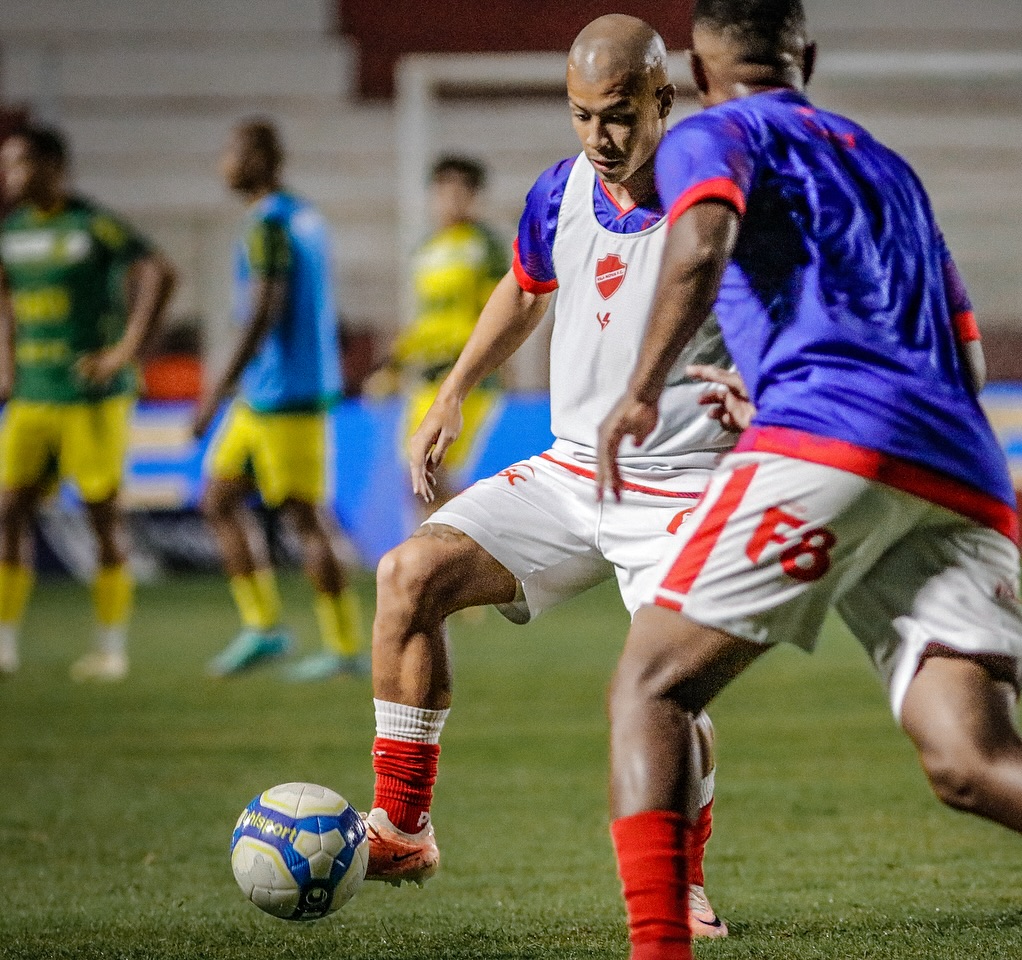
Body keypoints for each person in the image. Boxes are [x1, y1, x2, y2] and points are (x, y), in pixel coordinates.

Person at [595, 4, 1022, 960]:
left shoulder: (713, 132)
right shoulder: (888, 167)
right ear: (806, 58)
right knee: (971, 757)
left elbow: (700, 245)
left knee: (651, 688)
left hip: (832, 438)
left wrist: (642, 390)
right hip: (958, 462)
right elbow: (967, 356)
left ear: (699, 70)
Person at [360, 15, 734, 939]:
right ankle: (403, 827)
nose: (599, 139)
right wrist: (453, 391)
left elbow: (800, 309)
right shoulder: (561, 191)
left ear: (663, 98)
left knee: (663, 686)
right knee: (410, 575)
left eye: (617, 116)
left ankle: (680, 883)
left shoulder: (721, 198)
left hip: (685, 484)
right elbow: (527, 286)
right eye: (580, 116)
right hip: (573, 474)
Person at [0, 125, 176, 680]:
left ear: (52, 165)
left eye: (19, 164)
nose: (10, 176)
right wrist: (6, 360)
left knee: (103, 516)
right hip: (33, 395)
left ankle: (110, 647)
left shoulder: (91, 225)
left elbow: (159, 271)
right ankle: (4, 643)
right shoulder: (12, 231)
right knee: (9, 513)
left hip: (91, 398)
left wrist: (125, 350)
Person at [193, 118, 366, 683]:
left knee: (306, 520)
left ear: (263, 159)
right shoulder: (303, 216)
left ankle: (344, 648)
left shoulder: (268, 225)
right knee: (218, 498)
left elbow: (267, 308)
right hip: (266, 395)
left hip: (285, 395)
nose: (225, 163)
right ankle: (264, 627)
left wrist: (216, 387)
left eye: (234, 151)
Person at [367, 155, 510, 513]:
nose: (451, 199)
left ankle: (482, 545)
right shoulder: (425, 249)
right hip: (426, 379)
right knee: (418, 480)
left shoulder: (486, 247)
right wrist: (394, 366)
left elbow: (502, 312)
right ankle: (450, 559)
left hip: (466, 376)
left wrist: (493, 365)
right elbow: (423, 320)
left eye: (461, 190)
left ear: (475, 196)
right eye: (444, 190)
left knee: (430, 473)